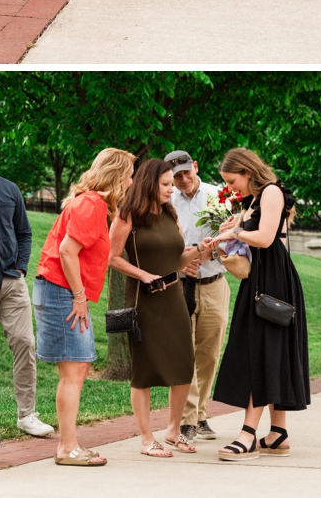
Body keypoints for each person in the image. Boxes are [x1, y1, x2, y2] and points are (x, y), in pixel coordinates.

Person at [205, 146, 310, 462]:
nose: (231, 187)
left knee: (260, 351)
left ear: (247, 172)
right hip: (259, 279)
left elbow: (265, 238)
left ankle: (248, 435)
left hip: (274, 279)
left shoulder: (272, 193)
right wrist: (227, 233)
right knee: (267, 349)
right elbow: (249, 235)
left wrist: (235, 231)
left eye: (232, 180)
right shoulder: (251, 202)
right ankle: (277, 433)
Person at [33, 146, 134, 467]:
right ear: (117, 176)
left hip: (63, 290)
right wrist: (78, 296)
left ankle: (70, 443)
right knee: (74, 370)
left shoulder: (92, 204)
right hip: (62, 292)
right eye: (130, 175)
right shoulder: (91, 204)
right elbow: (66, 251)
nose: (131, 182)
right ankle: (66, 448)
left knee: (79, 368)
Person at [108, 157, 204, 458]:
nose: (170, 190)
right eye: (165, 185)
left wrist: (201, 250)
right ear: (149, 184)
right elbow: (113, 257)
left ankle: (173, 431)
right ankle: (147, 438)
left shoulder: (170, 214)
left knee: (184, 364)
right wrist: (144, 274)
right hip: (144, 300)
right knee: (144, 371)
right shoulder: (128, 216)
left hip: (174, 298)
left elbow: (176, 261)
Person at [0, 129, 54, 439]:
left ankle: (27, 415)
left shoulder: (10, 190)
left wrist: (20, 268)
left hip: (12, 281)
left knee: (25, 344)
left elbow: (24, 233)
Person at [164, 149, 230, 440]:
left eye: (185, 172)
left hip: (214, 282)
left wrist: (205, 255)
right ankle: (187, 419)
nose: (182, 179)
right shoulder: (166, 201)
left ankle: (201, 414)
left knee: (209, 354)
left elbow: (235, 241)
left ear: (195, 167)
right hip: (180, 286)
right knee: (184, 352)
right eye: (176, 176)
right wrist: (181, 265)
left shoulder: (220, 197)